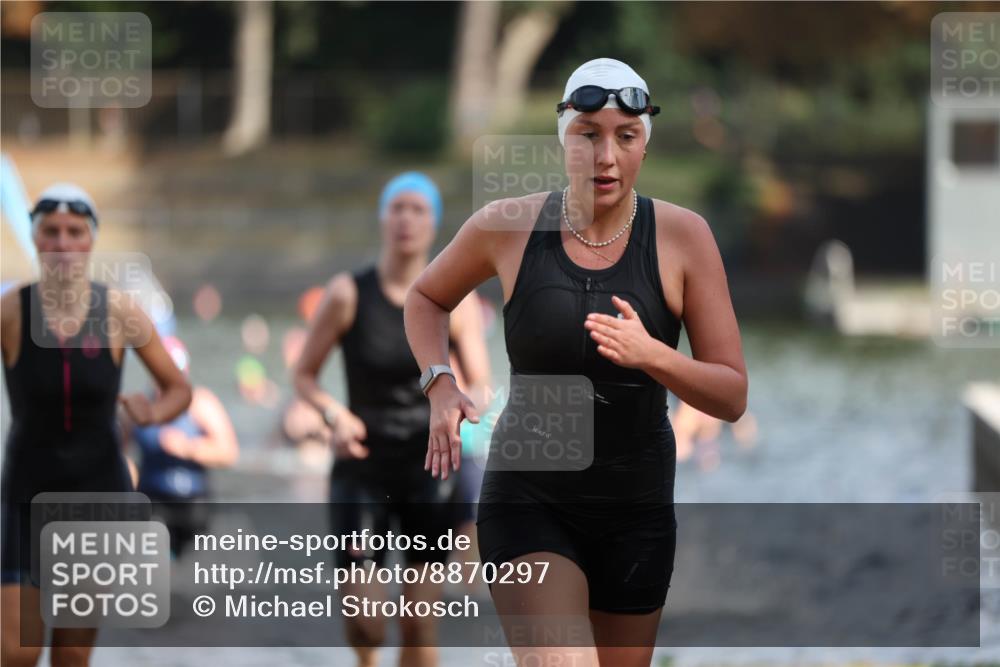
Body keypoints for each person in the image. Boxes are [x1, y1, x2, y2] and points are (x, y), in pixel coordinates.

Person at [403, 58, 748, 667]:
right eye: (588, 133)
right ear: (563, 135)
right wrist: (439, 382)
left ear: (645, 143)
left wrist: (654, 356)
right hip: (529, 498)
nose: (606, 156)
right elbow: (427, 297)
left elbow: (730, 393)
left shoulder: (683, 237)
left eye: (626, 136)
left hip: (636, 508)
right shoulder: (506, 227)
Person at [293, 172, 491, 667]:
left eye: (418, 209)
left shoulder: (456, 304)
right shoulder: (346, 294)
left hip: (431, 468)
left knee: (418, 622)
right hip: (362, 466)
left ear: (434, 224)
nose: (406, 218)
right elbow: (304, 375)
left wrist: (463, 404)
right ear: (383, 218)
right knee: (366, 621)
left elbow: (483, 385)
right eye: (396, 208)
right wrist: (333, 414)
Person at [1, 183, 192, 666]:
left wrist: (155, 412)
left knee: (71, 654)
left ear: (90, 240)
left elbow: (178, 388)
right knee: (15, 651)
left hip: (94, 496)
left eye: (74, 232)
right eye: (51, 232)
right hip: (24, 493)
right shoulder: (9, 311)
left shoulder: (120, 311)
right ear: (36, 238)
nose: (62, 244)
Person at [124, 335, 239, 557]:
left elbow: (229, 452)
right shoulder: (140, 406)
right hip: (152, 501)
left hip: (193, 502)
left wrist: (188, 447)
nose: (168, 388)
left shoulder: (201, 403)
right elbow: (118, 452)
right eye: (163, 381)